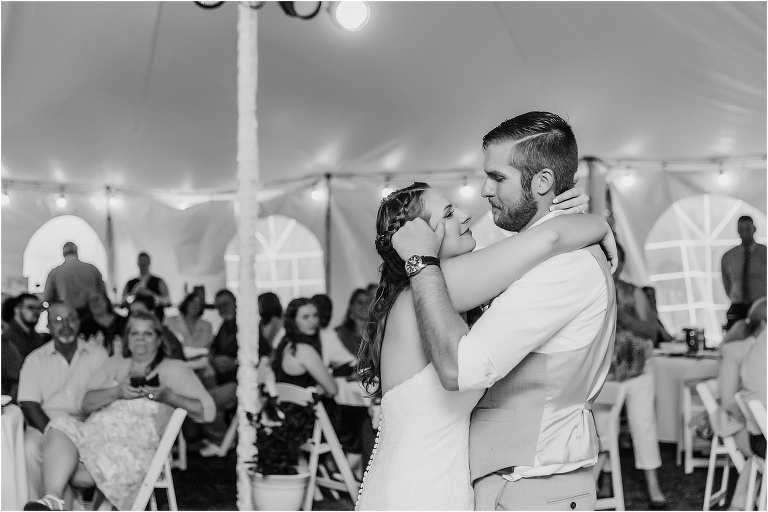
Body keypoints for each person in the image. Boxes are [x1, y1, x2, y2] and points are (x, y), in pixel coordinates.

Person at [357, 112, 617, 510]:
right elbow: (546, 238)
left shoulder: (441, 289)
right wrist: (591, 224)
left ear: (542, 181)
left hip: (495, 480)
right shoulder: (423, 291)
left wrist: (583, 223)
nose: (476, 199)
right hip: (423, 487)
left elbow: (543, 241)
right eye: (447, 215)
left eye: (497, 177)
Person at [23, 312, 215, 511]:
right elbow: (84, 402)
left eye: (147, 333)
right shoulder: (116, 363)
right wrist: (116, 392)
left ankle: (55, 501)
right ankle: (53, 498)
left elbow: (208, 411)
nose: (140, 339)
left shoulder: (175, 369)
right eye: (134, 333)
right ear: (127, 339)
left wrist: (169, 396)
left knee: (58, 468)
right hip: (94, 439)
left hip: (129, 452)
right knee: (59, 426)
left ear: (159, 339)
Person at [596, 243, 666, 508]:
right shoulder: (591, 291)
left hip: (639, 370)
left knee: (643, 426)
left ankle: (653, 486)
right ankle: (605, 481)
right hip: (606, 373)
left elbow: (651, 332)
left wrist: (622, 314)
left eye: (614, 260)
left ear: (621, 263)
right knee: (603, 428)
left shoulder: (634, 292)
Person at [18, 302, 108, 502]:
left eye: (71, 319)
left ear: (79, 323)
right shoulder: (35, 359)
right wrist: (55, 432)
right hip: (45, 424)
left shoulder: (98, 354)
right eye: (58, 320)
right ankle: (40, 504)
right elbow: (29, 404)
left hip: (88, 426)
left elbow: (107, 397)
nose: (65, 325)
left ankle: (59, 500)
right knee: (28, 447)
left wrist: (81, 432)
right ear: (48, 327)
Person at [272, 298, 338, 397]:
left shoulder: (286, 343)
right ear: (293, 321)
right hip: (304, 406)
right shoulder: (303, 349)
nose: (313, 321)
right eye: (306, 317)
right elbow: (333, 390)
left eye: (315, 315)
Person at [721, 216, 767, 330]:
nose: (744, 232)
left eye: (748, 228)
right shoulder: (729, 256)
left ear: (754, 229)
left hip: (761, 306)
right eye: (741, 229)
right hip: (738, 306)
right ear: (737, 230)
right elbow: (726, 283)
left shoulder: (764, 253)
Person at [41, 242, 108, 321]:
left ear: (63, 253)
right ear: (76, 251)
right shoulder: (92, 269)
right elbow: (103, 293)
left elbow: (47, 297)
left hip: (67, 315)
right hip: (91, 314)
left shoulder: (55, 272)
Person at [121, 252, 171, 322]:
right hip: (134, 320)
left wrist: (150, 294)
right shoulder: (130, 283)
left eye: (145, 261)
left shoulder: (159, 281)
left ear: (149, 262)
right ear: (137, 263)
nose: (143, 264)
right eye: (141, 261)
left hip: (155, 320)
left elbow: (168, 301)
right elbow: (122, 303)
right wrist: (133, 292)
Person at [79, 290, 127, 356]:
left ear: (106, 300)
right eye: (90, 301)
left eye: (97, 299)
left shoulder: (123, 322)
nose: (94, 303)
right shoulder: (84, 327)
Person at [2, 292, 46, 360]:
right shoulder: (7, 338)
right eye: (31, 307)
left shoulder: (37, 337)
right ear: (17, 309)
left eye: (39, 308)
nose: (36, 312)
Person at [335, 288, 370, 357]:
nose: (365, 306)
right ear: (351, 306)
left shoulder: (377, 334)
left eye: (368, 302)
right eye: (360, 302)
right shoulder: (340, 333)